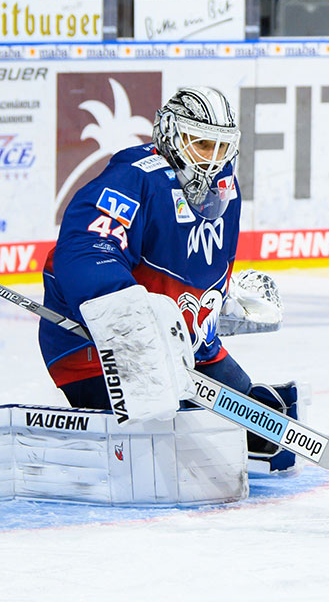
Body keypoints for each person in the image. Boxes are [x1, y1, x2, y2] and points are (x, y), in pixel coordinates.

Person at [39, 86, 299, 479]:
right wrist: (124, 307)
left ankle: (234, 423)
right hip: (98, 348)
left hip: (188, 347)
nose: (212, 160)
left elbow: (199, 269)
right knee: (186, 432)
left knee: (247, 422)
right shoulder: (135, 177)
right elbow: (87, 248)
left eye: (220, 147)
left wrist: (217, 307)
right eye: (200, 145)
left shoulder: (225, 190)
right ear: (173, 136)